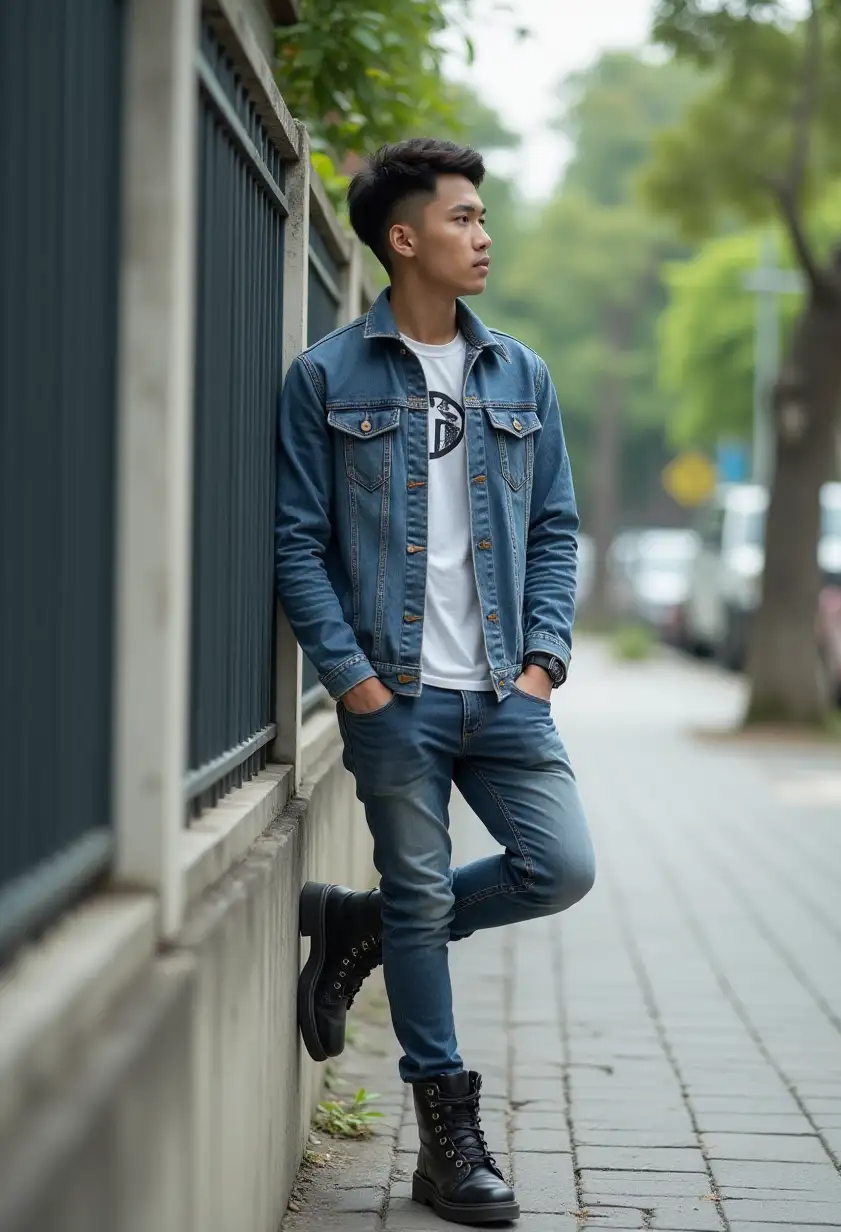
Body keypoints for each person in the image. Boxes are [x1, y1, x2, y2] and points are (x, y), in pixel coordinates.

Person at [275, 138, 595, 1226]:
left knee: (560, 867)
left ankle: (359, 924)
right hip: (396, 692)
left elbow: (555, 525)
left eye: (484, 217)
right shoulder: (326, 376)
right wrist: (357, 683)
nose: (483, 234)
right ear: (402, 238)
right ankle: (446, 1138)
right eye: (463, 218)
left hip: (507, 688)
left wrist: (544, 663)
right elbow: (295, 542)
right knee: (423, 893)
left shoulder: (522, 373)